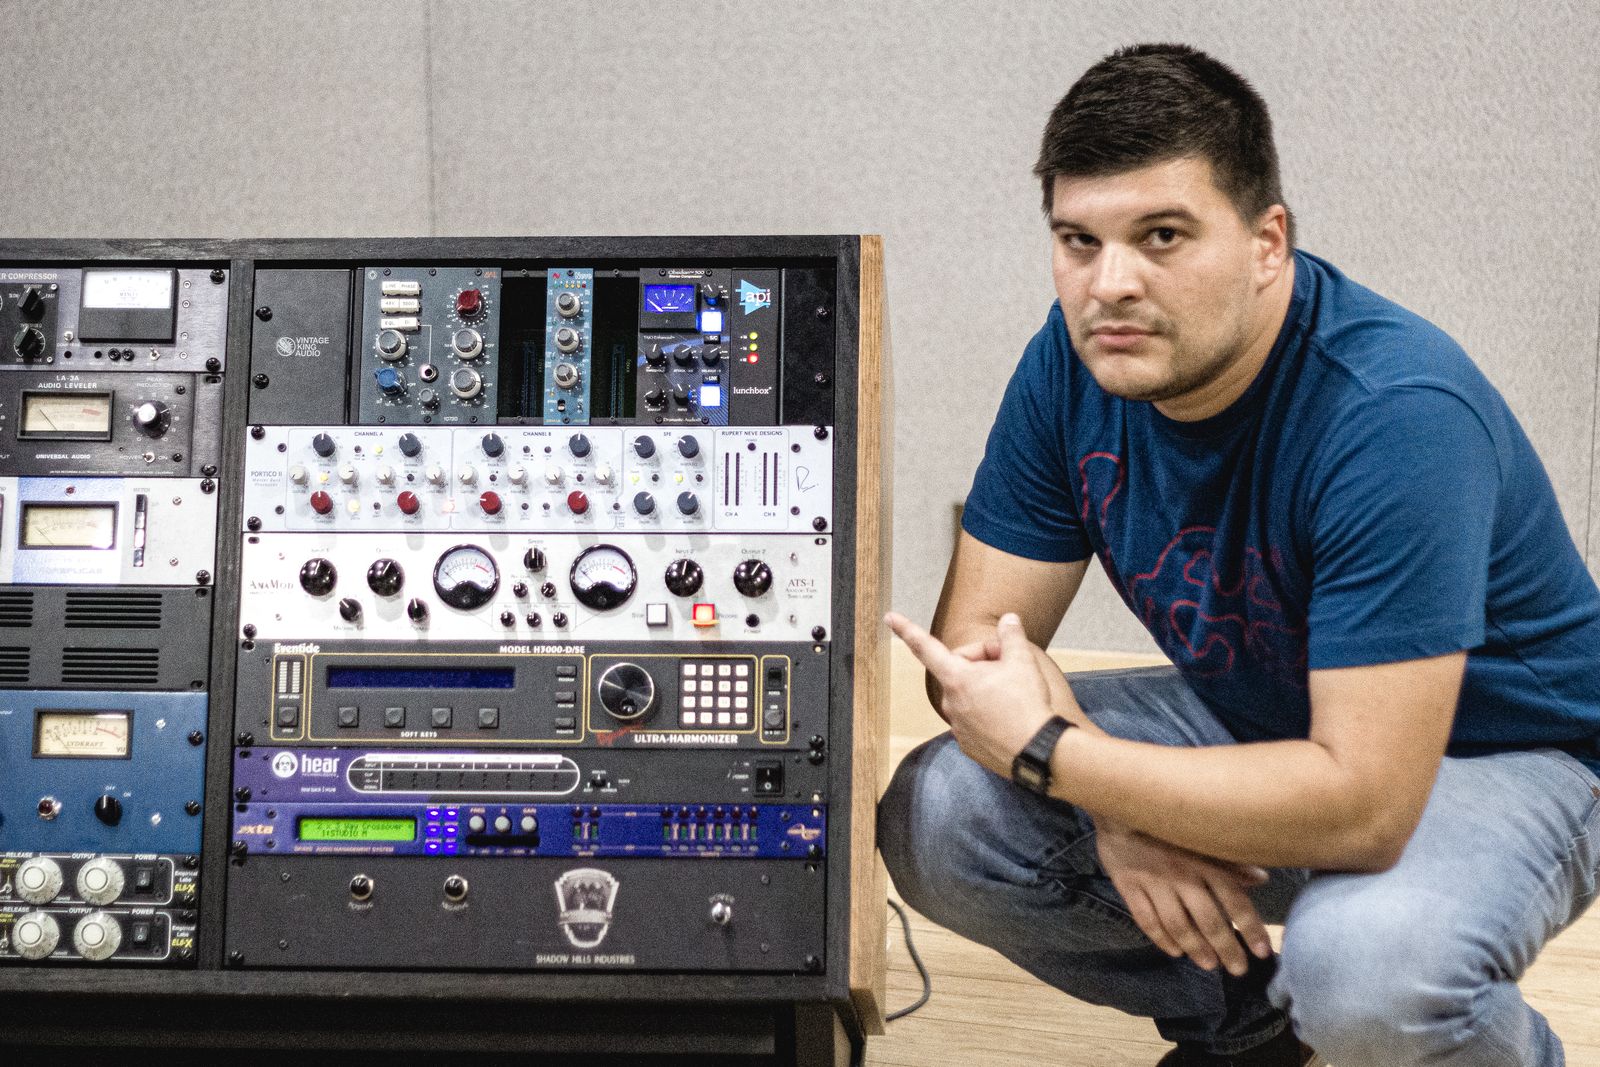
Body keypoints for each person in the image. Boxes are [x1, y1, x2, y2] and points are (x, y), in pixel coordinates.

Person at [877, 42, 1600, 1067]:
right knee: (940, 810)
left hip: (1504, 752)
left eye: (1161, 236)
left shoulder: (1396, 412)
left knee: (1369, 970)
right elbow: (971, 655)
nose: (1109, 284)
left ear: (1267, 242)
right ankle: (1254, 1032)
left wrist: (1071, 760)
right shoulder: (1074, 362)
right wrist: (1112, 803)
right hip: (1271, 709)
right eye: (1079, 241)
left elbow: (1364, 803)